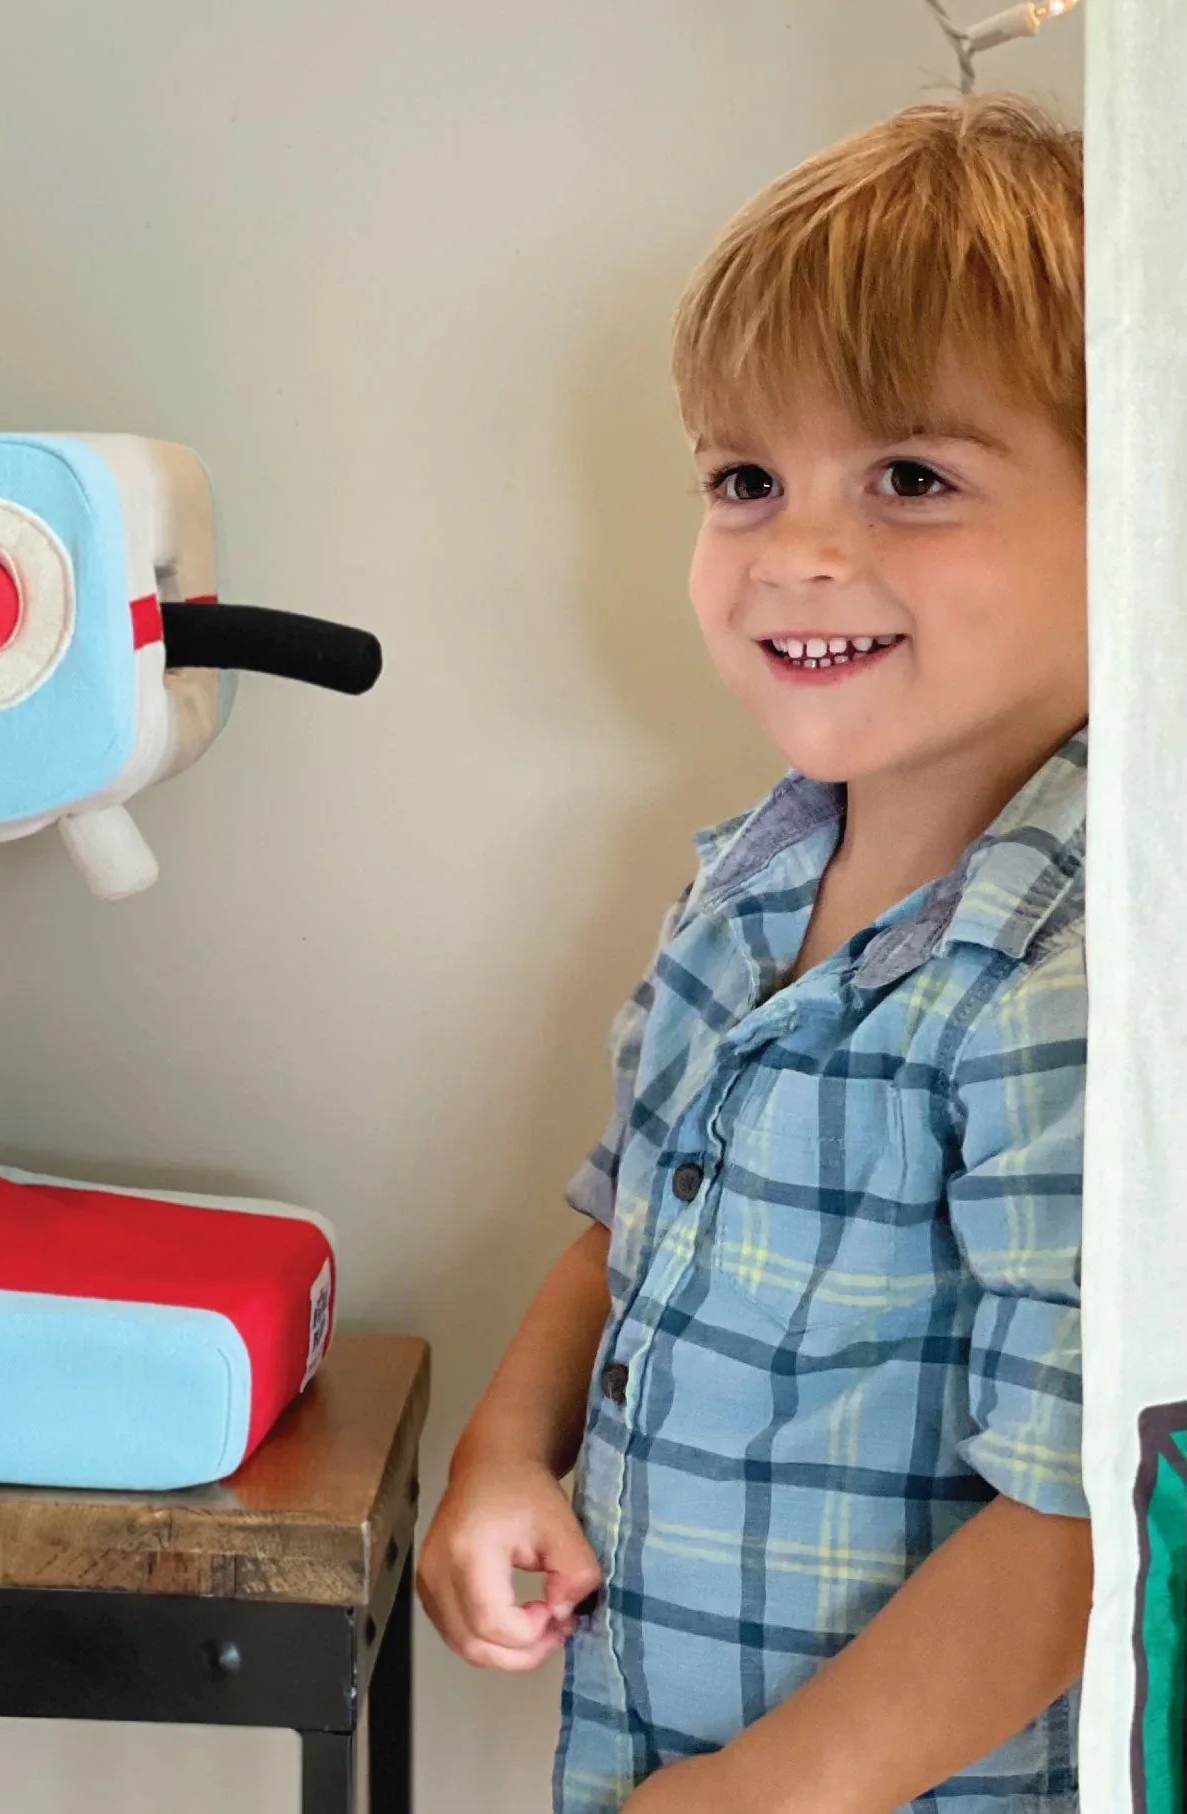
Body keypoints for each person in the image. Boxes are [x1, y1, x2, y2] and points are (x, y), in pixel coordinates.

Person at [417, 95, 1091, 1811]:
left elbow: (1075, 1507)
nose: (797, 550)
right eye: (744, 479)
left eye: (912, 476)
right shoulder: (748, 874)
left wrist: (773, 1792)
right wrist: (505, 1452)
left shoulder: (1070, 967)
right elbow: (620, 1215)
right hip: (658, 1739)